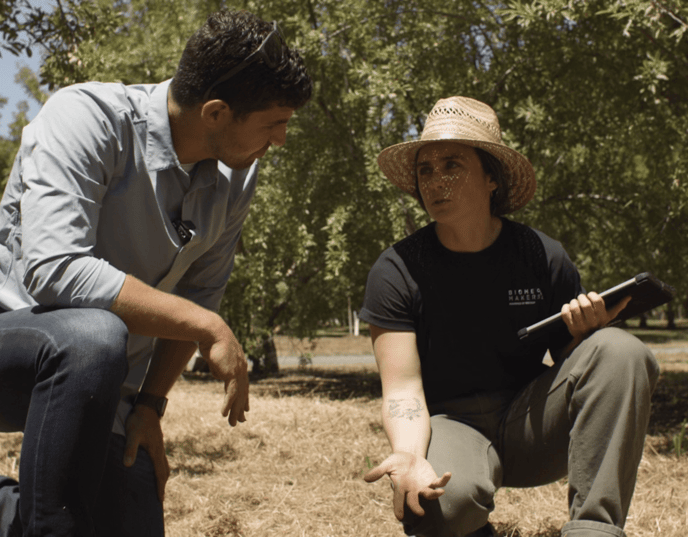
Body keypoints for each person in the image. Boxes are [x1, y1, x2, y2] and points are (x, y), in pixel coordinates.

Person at [0, 9, 312, 537]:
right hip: (20, 347)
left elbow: (201, 290)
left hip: (105, 385)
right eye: (272, 123)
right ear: (215, 112)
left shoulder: (238, 175)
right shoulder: (86, 117)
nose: (280, 139)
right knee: (94, 335)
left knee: (133, 517)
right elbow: (56, 269)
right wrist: (204, 327)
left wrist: (150, 406)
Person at [360, 96, 659, 537]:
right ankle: (470, 522)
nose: (435, 181)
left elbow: (573, 368)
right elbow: (402, 389)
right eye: (425, 169)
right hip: (450, 427)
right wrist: (409, 455)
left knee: (619, 351)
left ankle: (593, 528)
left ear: (491, 178)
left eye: (452, 165)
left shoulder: (542, 255)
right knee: (436, 507)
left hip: (529, 422)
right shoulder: (397, 269)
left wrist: (584, 334)